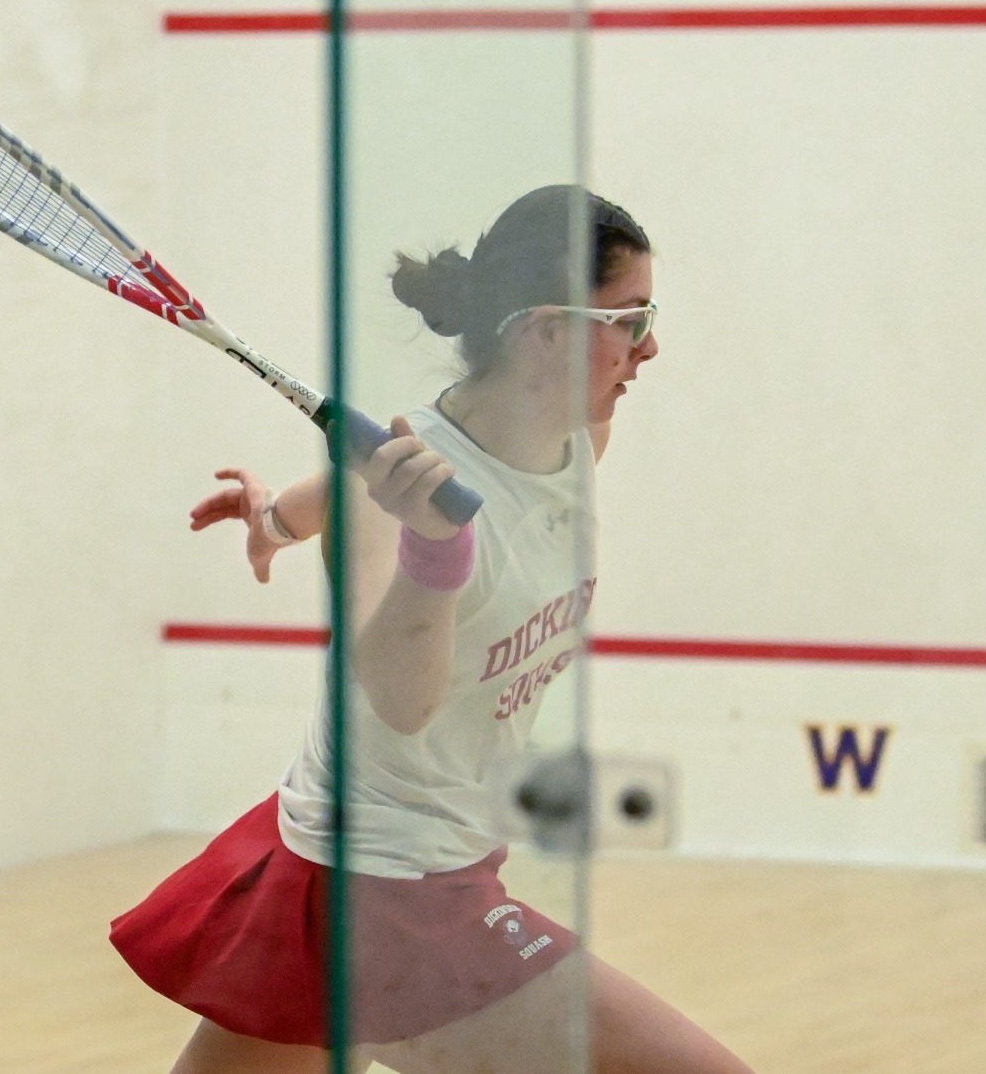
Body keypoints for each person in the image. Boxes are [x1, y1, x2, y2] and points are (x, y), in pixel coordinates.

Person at [111, 186, 753, 1074]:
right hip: (380, 893)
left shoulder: (577, 438)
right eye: (629, 318)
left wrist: (281, 517)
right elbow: (401, 699)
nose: (650, 345)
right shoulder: (406, 511)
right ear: (546, 332)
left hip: (408, 869)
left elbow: (363, 472)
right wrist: (433, 555)